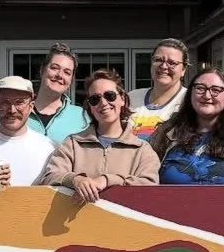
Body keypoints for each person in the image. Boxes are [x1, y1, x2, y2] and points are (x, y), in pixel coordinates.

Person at [40, 69, 161, 198]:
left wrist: (108, 180)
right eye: (95, 99)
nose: (103, 103)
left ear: (123, 100)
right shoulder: (72, 144)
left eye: (110, 96)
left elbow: (150, 186)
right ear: (90, 107)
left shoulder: (142, 150)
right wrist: (74, 180)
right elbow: (49, 176)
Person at [151, 67, 224, 185]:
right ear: (190, 93)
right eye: (200, 88)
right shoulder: (167, 132)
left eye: (216, 90)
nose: (207, 95)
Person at [24, 43, 89, 144]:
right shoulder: (17, 112)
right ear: (42, 70)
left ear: (71, 80)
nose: (60, 75)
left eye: (67, 72)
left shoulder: (82, 117)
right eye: (54, 68)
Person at [128, 38, 190, 140]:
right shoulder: (132, 97)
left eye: (172, 62)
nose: (164, 66)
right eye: (158, 60)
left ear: (183, 69)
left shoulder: (189, 101)